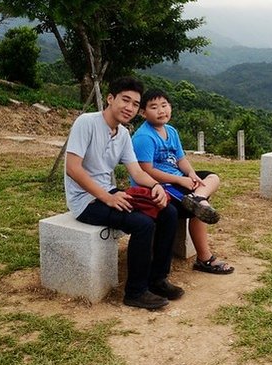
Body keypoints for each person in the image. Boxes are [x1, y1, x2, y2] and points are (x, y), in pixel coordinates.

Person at [64, 76, 183, 310]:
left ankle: (158, 279)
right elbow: (72, 168)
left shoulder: (123, 134)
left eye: (135, 104)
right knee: (142, 224)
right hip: (84, 201)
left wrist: (156, 186)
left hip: (109, 192)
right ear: (110, 99)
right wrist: (107, 197)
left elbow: (137, 173)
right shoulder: (86, 122)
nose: (129, 107)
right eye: (125, 100)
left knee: (167, 211)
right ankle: (135, 292)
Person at [131, 88, 235, 274]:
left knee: (212, 177)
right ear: (143, 112)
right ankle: (204, 258)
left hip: (178, 180)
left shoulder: (171, 131)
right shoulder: (144, 137)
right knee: (198, 211)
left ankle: (198, 198)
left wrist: (192, 175)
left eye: (164, 105)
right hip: (157, 186)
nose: (161, 110)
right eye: (154, 107)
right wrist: (181, 179)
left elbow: (181, 160)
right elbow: (147, 171)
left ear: (170, 107)